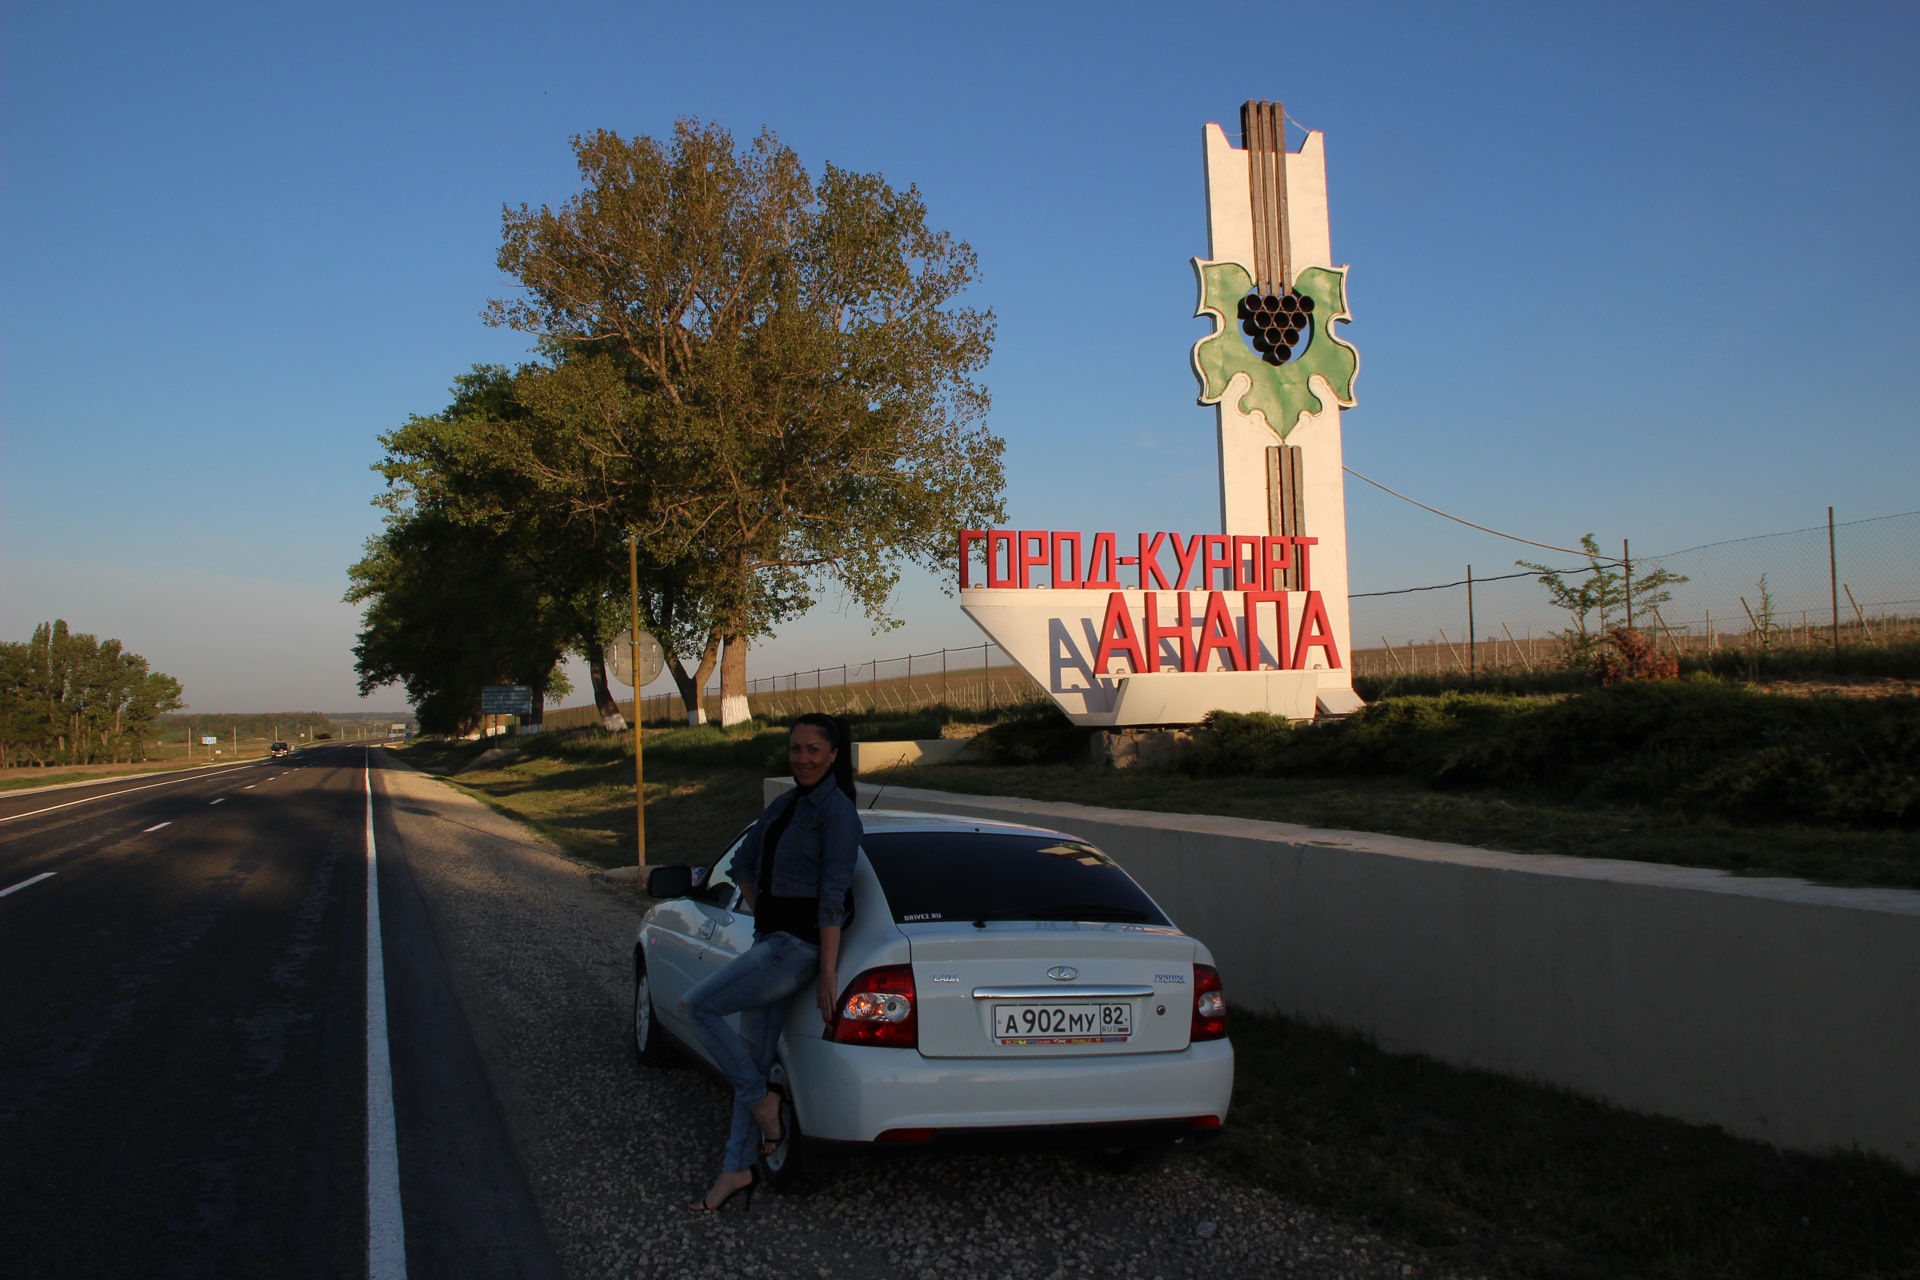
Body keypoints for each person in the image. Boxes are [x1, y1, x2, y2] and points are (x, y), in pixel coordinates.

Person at [683, 712, 860, 1213]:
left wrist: (826, 972)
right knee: (754, 1059)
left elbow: (833, 896)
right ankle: (737, 1169)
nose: (802, 758)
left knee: (697, 1007)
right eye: (795, 749)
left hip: (796, 950)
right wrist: (763, 908)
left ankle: (765, 1102)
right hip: (769, 941)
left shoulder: (838, 813)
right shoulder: (784, 806)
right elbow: (742, 862)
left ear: (833, 755)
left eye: (813, 750)